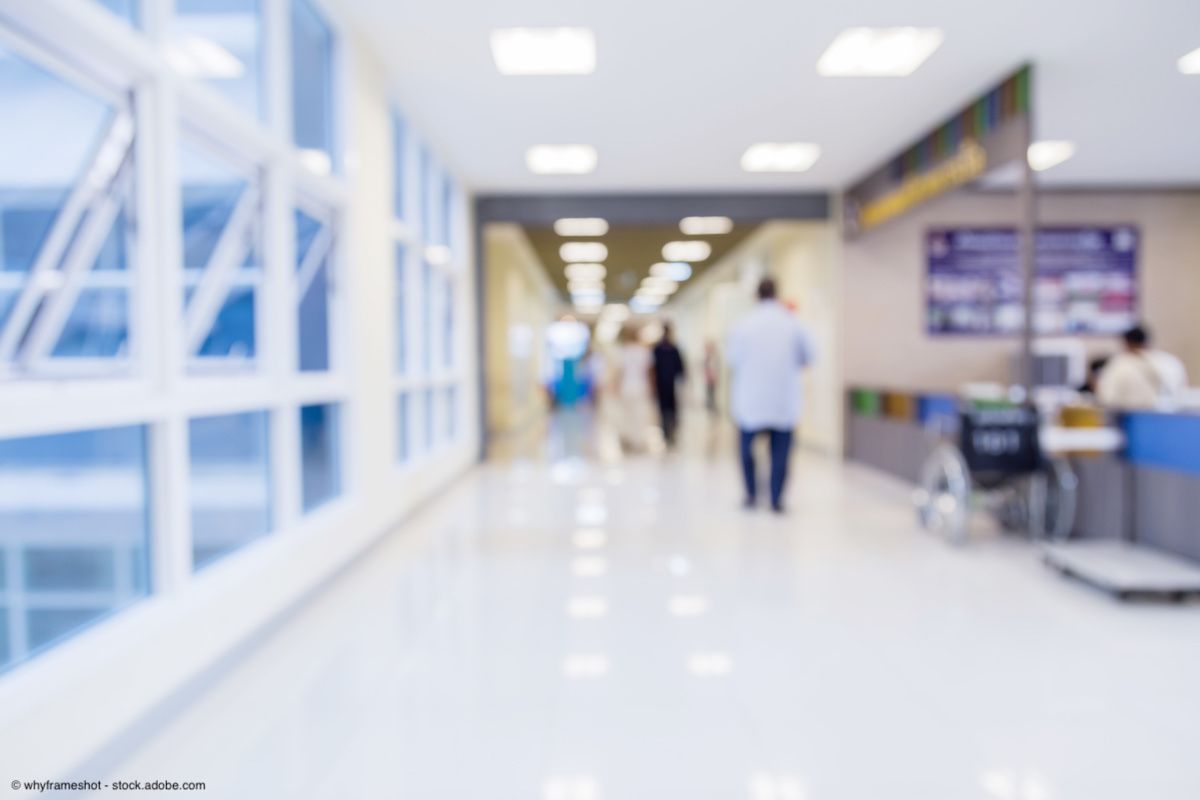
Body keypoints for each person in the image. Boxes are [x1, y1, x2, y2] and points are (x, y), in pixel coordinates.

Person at [726, 278, 815, 513]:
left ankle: (752, 493)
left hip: (750, 400)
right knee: (780, 453)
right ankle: (776, 498)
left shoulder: (743, 324)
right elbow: (809, 356)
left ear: (756, 296)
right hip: (783, 400)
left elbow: (732, 360)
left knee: (746, 451)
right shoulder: (792, 323)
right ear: (776, 294)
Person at [1096, 324, 1188, 410]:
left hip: (1132, 420)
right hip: (1169, 418)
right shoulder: (1170, 362)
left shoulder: (1120, 364)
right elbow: (1181, 393)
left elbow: (1106, 398)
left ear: (1127, 343)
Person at [614, 325, 653, 451]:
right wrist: (651, 386)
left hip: (627, 387)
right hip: (640, 386)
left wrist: (616, 386)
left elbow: (620, 372)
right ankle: (638, 439)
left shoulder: (624, 351)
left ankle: (628, 439)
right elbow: (648, 372)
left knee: (627, 414)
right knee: (639, 414)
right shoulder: (644, 351)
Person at [652, 323, 686, 446]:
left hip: (670, 384)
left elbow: (680, 367)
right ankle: (666, 431)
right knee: (665, 408)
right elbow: (653, 368)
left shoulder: (672, 348)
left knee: (671, 408)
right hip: (663, 384)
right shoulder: (659, 349)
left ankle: (671, 430)